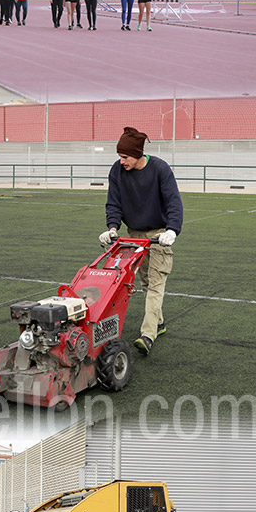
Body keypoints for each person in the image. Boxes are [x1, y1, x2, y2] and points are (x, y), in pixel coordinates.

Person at [99, 126, 183, 355]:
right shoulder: (117, 171)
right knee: (145, 282)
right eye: (119, 156)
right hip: (133, 234)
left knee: (156, 282)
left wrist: (172, 231)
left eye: (125, 157)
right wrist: (112, 228)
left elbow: (174, 201)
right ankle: (160, 323)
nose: (122, 161)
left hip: (159, 234)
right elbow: (113, 202)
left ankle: (147, 335)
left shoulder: (160, 169)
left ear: (137, 154)